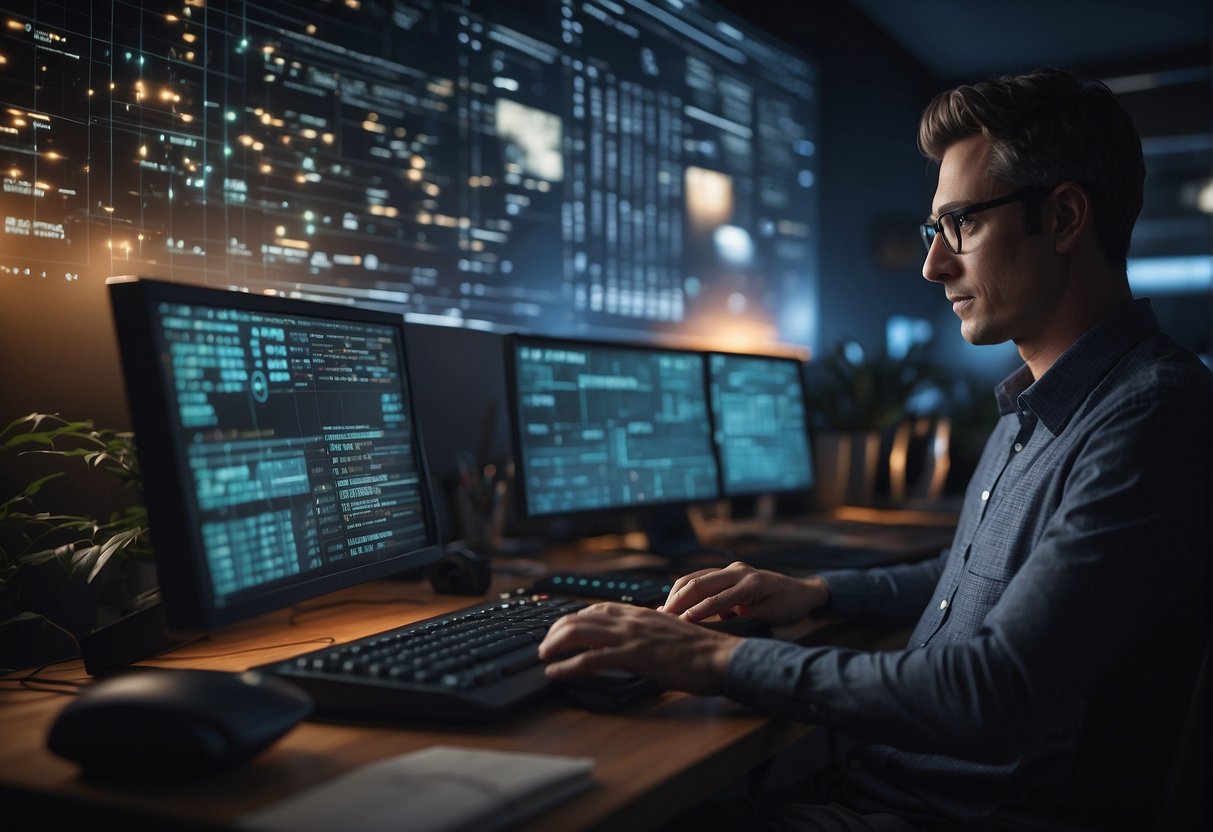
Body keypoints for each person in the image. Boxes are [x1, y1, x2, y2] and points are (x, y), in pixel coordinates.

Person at [537, 67, 1211, 831]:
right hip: (889, 792)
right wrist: (820, 593)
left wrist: (705, 660)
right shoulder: (1040, 401)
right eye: (935, 230)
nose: (932, 264)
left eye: (959, 224)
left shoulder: (1150, 413)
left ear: (1060, 219)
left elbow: (994, 694)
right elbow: (974, 578)